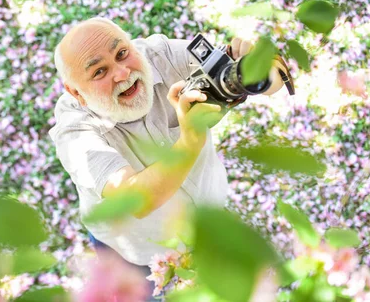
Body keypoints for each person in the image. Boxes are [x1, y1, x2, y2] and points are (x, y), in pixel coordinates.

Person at [49, 17, 286, 300]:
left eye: (122, 53)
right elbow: (136, 198)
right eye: (100, 71)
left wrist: (257, 68)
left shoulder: (160, 55)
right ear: (76, 92)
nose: (122, 74)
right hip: (138, 251)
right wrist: (189, 140)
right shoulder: (74, 132)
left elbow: (267, 76)